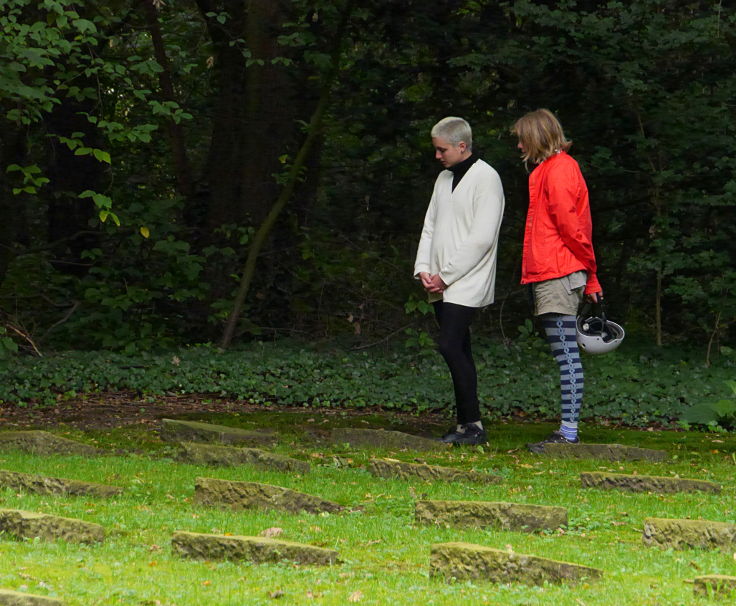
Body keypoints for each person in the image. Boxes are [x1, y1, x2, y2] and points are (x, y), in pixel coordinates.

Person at [511, 108, 602, 452]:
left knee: (566, 354)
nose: (519, 145)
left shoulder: (561, 169)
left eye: (523, 138)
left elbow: (572, 228)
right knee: (564, 352)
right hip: (554, 271)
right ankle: (567, 430)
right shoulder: (548, 170)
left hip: (560, 272)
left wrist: (590, 272)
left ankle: (568, 433)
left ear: (537, 136)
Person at [414, 117, 505, 445]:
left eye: (443, 149)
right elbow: (430, 226)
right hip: (438, 279)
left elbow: (482, 237)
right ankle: (468, 424)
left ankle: (473, 423)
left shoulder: (487, 178)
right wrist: (424, 268)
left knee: (450, 345)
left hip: (467, 278)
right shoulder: (443, 178)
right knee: (459, 347)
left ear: (462, 146)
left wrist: (447, 275)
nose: (438, 155)